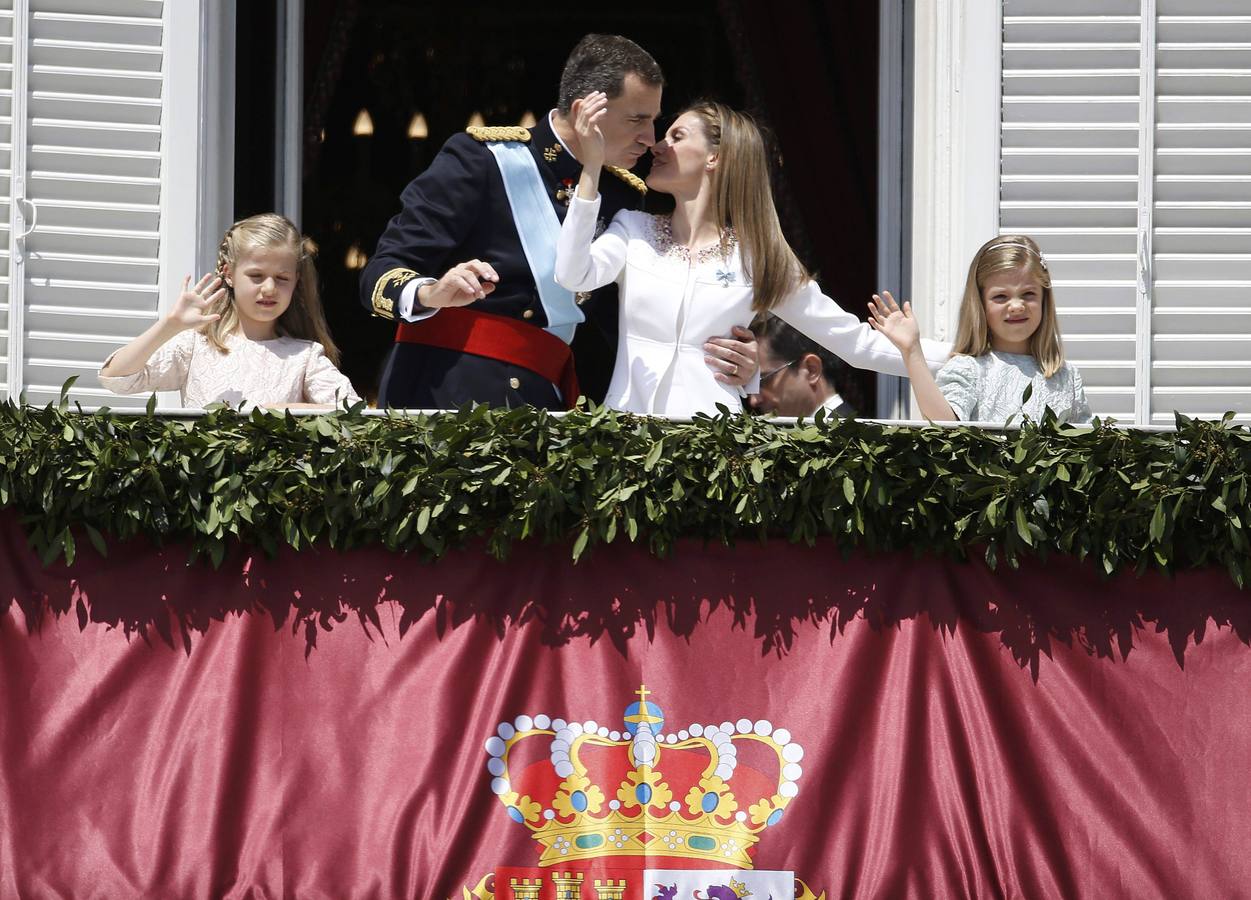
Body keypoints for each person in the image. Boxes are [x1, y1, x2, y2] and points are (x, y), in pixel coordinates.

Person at [360, 34, 757, 410]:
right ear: (586, 111)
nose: (650, 139)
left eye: (653, 121)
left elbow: (632, 324)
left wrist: (738, 362)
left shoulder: (622, 195)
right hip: (445, 392)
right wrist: (432, 292)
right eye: (637, 120)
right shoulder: (483, 160)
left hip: (545, 402)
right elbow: (380, 273)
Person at [554, 99, 950, 417]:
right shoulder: (632, 229)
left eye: (677, 135)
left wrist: (969, 358)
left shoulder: (757, 256)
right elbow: (573, 275)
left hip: (711, 452)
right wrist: (591, 169)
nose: (658, 145)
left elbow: (854, 343)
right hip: (628, 442)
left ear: (715, 158)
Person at [99, 213, 359, 409]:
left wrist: (281, 411)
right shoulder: (196, 345)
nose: (269, 288)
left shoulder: (304, 356)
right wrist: (170, 325)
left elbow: (353, 412)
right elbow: (117, 378)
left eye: (282, 278)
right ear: (229, 274)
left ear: (296, 281)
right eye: (256, 276)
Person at [866, 235, 1091, 423]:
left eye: (1028, 294)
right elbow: (945, 426)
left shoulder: (1066, 376)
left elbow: (1087, 446)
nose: (1016, 306)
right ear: (980, 304)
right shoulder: (968, 369)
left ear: (1044, 300)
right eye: (1000, 296)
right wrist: (911, 350)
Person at [748, 313, 856, 418]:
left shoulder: (848, 430)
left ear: (811, 369)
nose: (754, 401)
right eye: (746, 387)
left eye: (763, 381)